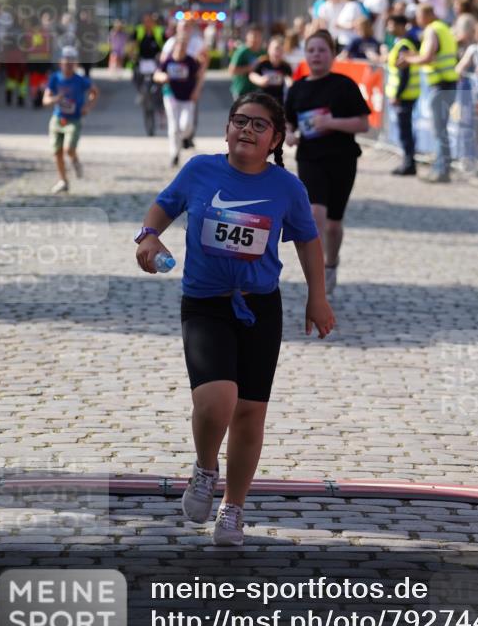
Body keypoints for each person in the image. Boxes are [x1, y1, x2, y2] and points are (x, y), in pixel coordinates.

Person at [135, 92, 335, 546]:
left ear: (276, 139)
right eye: (238, 121)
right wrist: (148, 238)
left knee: (249, 412)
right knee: (217, 400)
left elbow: (307, 241)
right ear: (226, 128)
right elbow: (162, 209)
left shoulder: (287, 187)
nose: (246, 130)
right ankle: (206, 467)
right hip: (205, 302)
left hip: (260, 306)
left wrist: (317, 299)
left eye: (258, 125)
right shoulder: (200, 170)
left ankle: (234, 508)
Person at [285, 29, 371, 295]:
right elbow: (288, 121)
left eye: (322, 50)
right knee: (315, 214)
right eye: (311, 51)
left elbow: (363, 123)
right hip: (310, 157)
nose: (316, 55)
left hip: (342, 158)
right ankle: (317, 273)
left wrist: (331, 122)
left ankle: (331, 263)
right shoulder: (297, 88)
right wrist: (288, 134)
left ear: (332, 54)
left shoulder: (344, 85)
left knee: (334, 224)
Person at [396, 4, 459, 182]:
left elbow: (428, 57)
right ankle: (442, 168)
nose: (417, 20)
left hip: (440, 85)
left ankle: (441, 171)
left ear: (428, 15)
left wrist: (409, 58)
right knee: (442, 129)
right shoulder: (443, 28)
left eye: (418, 15)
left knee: (439, 130)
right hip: (448, 83)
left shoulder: (432, 30)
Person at [42, 46, 99, 193]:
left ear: (75, 64)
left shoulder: (80, 80)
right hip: (57, 118)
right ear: (60, 62)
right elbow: (45, 100)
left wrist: (88, 106)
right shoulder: (55, 78)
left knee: (68, 149)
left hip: (74, 120)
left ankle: (75, 160)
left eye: (71, 61)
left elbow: (95, 92)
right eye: (65, 61)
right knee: (57, 152)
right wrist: (56, 98)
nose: (67, 64)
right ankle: (63, 181)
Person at [154, 32, 206, 167]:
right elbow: (157, 74)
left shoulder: (190, 61)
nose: (182, 49)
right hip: (171, 95)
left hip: (188, 97)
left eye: (184, 47)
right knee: (174, 126)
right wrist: (162, 77)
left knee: (186, 126)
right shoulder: (168, 61)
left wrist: (196, 91)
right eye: (179, 46)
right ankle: (174, 154)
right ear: (175, 47)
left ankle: (182, 140)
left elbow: (200, 76)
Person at [386, 17, 421, 176]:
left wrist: (398, 94)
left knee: (405, 131)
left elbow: (403, 73)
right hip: (406, 94)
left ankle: (408, 164)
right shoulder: (401, 43)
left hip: (405, 95)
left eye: (391, 24)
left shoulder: (404, 45)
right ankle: (408, 162)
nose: (389, 27)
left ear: (400, 26)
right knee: (405, 130)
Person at [249, 36, 293, 104]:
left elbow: (289, 79)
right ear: (269, 49)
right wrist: (260, 80)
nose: (278, 52)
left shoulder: (286, 66)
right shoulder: (263, 63)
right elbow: (252, 75)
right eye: (276, 49)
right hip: (262, 99)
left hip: (278, 101)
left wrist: (289, 82)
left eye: (281, 50)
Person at [228, 24, 266, 99]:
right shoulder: (242, 52)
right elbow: (232, 70)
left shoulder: (263, 52)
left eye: (257, 36)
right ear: (247, 36)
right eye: (252, 35)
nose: (254, 39)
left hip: (257, 91)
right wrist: (250, 68)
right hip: (242, 90)